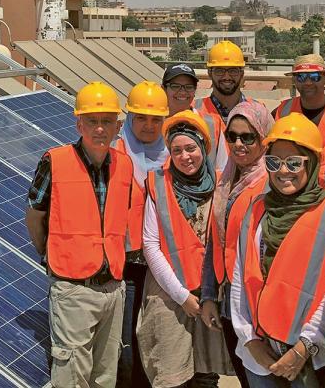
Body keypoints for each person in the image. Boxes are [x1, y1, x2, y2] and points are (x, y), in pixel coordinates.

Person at [26, 81, 136, 388]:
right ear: (79, 124)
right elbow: (35, 214)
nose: (100, 129)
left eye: (107, 121)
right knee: (72, 377)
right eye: (92, 121)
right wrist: (49, 252)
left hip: (113, 287)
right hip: (73, 289)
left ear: (118, 126)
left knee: (105, 375)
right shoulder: (55, 161)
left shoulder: (125, 165)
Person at [229, 113, 325, 388]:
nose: (283, 171)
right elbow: (241, 278)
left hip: (311, 357)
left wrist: (304, 346)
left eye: (294, 162)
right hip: (260, 354)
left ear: (312, 163)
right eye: (274, 162)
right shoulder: (257, 209)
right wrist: (249, 339)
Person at [139, 110, 232, 387]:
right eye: (176, 150)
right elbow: (150, 244)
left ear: (203, 146)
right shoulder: (157, 183)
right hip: (168, 294)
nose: (184, 156)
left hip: (210, 295)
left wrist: (208, 296)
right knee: (171, 373)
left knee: (206, 373)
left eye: (190, 148)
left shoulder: (222, 183)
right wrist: (182, 297)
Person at [201, 100, 275, 387]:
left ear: (264, 137)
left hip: (256, 303)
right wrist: (209, 295)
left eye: (248, 137)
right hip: (228, 298)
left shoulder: (272, 184)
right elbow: (214, 242)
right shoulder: (225, 180)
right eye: (232, 136)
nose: (238, 144)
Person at [113, 81, 170, 387]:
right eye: (141, 118)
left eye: (156, 119)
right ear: (129, 118)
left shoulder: (173, 156)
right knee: (126, 346)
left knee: (156, 342)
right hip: (126, 267)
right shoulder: (114, 153)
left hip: (163, 268)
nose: (149, 126)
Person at [196, 42, 247, 175]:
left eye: (233, 70)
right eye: (219, 70)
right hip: (206, 185)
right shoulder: (194, 111)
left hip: (247, 185)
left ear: (242, 73)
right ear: (209, 73)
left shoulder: (258, 112)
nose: (226, 77)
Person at [274, 54, 325, 146]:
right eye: (301, 77)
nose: (308, 83)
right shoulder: (282, 110)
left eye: (315, 76)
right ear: (294, 80)